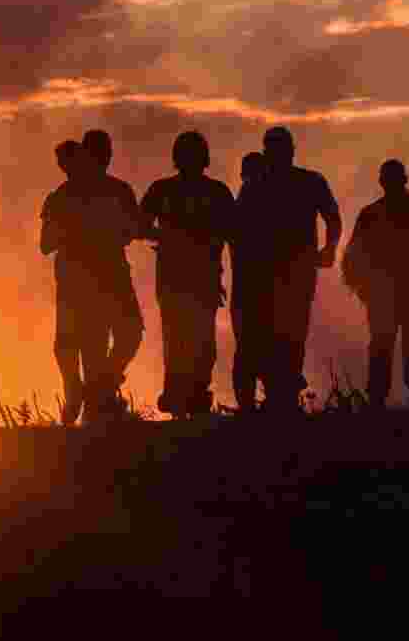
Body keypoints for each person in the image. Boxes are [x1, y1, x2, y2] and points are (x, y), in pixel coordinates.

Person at [234, 126, 342, 416]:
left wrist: (330, 248)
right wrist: (329, 248)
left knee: (286, 334)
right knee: (284, 334)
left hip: (288, 272)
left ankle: (279, 397)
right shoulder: (270, 183)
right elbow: (240, 230)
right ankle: (279, 397)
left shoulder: (264, 184)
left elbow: (332, 216)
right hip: (276, 273)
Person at [40, 132, 144, 425]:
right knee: (90, 346)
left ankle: (99, 390)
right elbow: (46, 243)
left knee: (126, 334)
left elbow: (134, 228)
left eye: (106, 151)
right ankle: (90, 404)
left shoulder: (117, 190)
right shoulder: (63, 195)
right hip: (82, 279)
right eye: (98, 152)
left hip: (109, 275)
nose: (103, 157)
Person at [141, 131, 236, 420]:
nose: (190, 160)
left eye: (193, 154)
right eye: (187, 154)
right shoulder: (165, 190)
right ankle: (183, 396)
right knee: (184, 338)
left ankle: (190, 395)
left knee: (195, 340)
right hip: (178, 278)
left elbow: (234, 232)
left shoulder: (213, 192)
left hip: (200, 277)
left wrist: (167, 238)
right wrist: (167, 238)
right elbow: (138, 224)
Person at [342, 159, 409, 412]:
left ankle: (383, 400)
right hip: (401, 293)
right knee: (404, 344)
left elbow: (353, 257)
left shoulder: (374, 213)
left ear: (382, 182)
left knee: (391, 345)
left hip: (397, 293)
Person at [230, 152, 267, 414]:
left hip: (248, 287)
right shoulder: (253, 201)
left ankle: (248, 402)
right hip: (256, 286)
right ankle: (251, 401)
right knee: (255, 344)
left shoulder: (241, 200)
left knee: (248, 345)